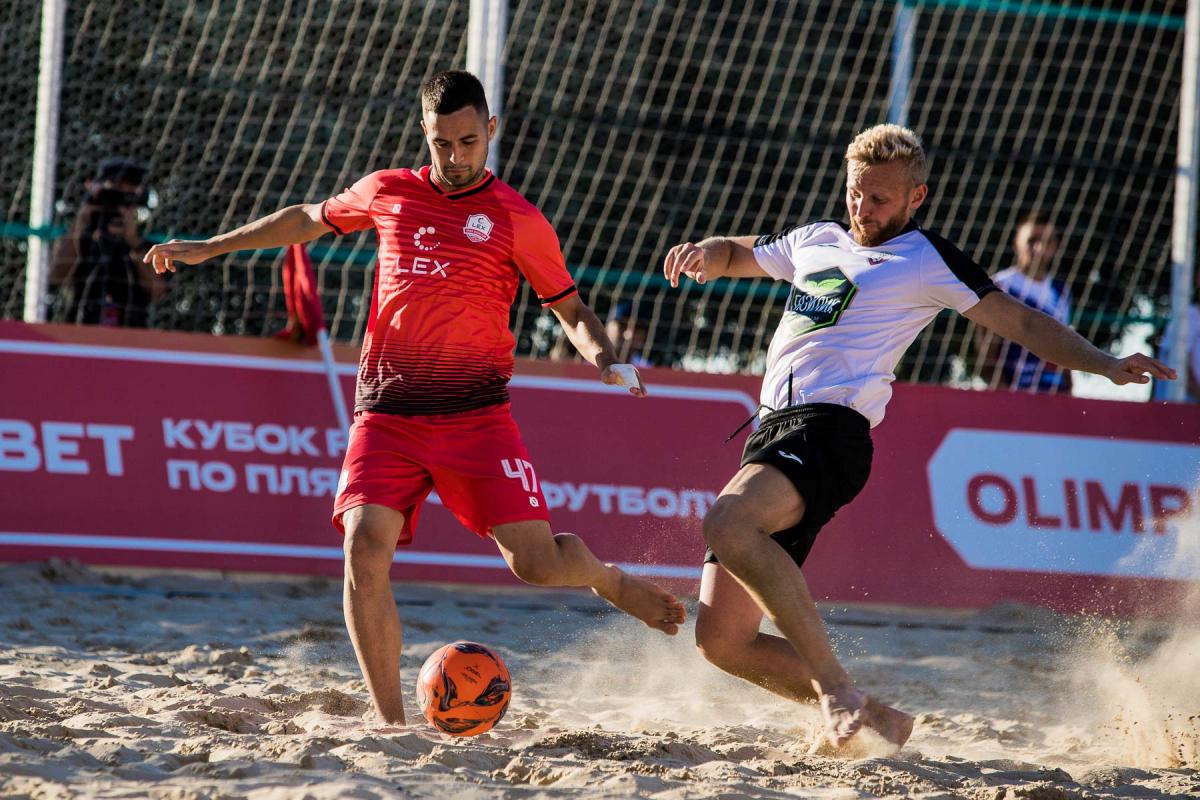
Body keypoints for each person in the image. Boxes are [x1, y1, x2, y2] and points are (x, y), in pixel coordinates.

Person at [145, 70, 686, 726]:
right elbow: (308, 218)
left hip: (476, 418)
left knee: (538, 564)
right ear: (423, 134)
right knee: (363, 547)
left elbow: (569, 308)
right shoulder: (388, 190)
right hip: (386, 415)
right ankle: (392, 724)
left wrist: (605, 359)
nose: (455, 157)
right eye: (440, 143)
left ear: (491, 130)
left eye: (467, 141)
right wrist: (212, 246)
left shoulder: (518, 219)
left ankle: (608, 578)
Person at [662, 124, 1175, 752]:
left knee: (727, 522)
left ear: (916, 196)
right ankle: (879, 719)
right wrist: (705, 251)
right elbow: (738, 252)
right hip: (773, 430)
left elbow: (1020, 322)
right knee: (723, 642)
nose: (863, 208)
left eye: (879, 198)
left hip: (829, 429)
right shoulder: (816, 240)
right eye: (855, 193)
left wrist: (1104, 363)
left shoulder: (925, 258)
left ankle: (837, 690)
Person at [51, 158, 165, 327]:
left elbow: (157, 290)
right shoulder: (80, 240)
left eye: (128, 190)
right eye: (116, 187)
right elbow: (57, 276)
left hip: (130, 330)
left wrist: (132, 240)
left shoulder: (145, 246)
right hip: (80, 327)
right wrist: (80, 223)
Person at [976, 210, 1073, 393]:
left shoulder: (1062, 292)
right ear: (1016, 242)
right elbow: (987, 352)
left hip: (1055, 392)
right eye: (1032, 241)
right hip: (1015, 392)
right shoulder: (1000, 285)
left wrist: (1069, 391)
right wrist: (1003, 393)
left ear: (1055, 246)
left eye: (1047, 242)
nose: (1039, 248)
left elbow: (1066, 345)